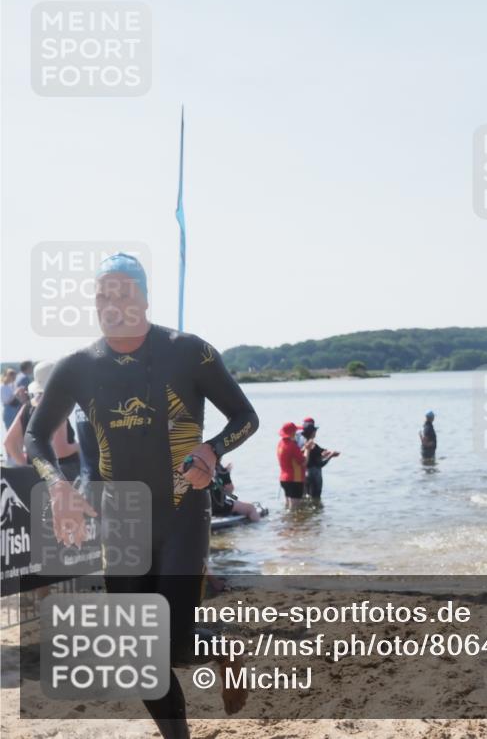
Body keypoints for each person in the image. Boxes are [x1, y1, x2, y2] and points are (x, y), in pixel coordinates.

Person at [23, 253, 260, 739]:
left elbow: (245, 417)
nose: (111, 304)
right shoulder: (78, 366)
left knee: (172, 646)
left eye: (122, 292)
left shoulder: (188, 351)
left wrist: (212, 451)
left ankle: (220, 650)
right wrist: (58, 484)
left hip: (181, 512)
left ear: (145, 297)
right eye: (101, 295)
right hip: (122, 518)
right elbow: (35, 438)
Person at [6, 360, 80, 479]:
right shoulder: (57, 406)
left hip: (39, 477)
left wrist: (28, 467)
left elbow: (9, 443)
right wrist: (81, 446)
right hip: (65, 475)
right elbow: (61, 450)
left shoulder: (27, 407)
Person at [302, 419, 339, 499]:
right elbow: (320, 464)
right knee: (316, 498)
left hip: (305, 474)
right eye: (315, 431)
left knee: (307, 497)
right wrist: (331, 456)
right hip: (315, 475)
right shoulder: (313, 446)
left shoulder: (304, 445)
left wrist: (323, 454)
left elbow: (315, 456)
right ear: (312, 432)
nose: (316, 432)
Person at [277, 421, 308, 509]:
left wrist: (303, 449)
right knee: (295, 508)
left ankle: (286, 522)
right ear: (292, 433)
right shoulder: (292, 446)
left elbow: (291, 457)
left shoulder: (281, 443)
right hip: (294, 480)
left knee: (288, 505)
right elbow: (303, 462)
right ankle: (294, 523)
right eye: (295, 432)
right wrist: (307, 450)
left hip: (284, 479)